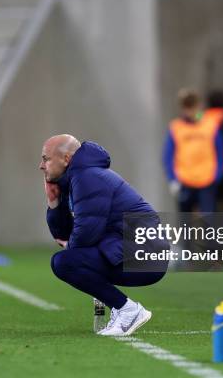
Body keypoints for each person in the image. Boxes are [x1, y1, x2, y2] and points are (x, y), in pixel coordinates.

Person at [41, 135, 166, 336]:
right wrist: (54, 203)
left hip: (145, 256)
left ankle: (128, 310)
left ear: (65, 159)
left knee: (64, 262)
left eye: (46, 158)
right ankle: (122, 309)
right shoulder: (76, 178)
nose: (41, 165)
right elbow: (63, 235)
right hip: (129, 250)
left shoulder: (87, 177)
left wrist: (71, 249)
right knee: (66, 260)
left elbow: (86, 234)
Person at [163, 89, 223, 212]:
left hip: (207, 181)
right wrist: (173, 179)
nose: (189, 111)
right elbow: (168, 156)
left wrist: (217, 176)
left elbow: (220, 152)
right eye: (186, 106)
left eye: (192, 106)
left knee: (209, 224)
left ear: (198, 105)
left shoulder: (210, 125)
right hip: (185, 181)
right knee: (185, 225)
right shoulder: (176, 127)